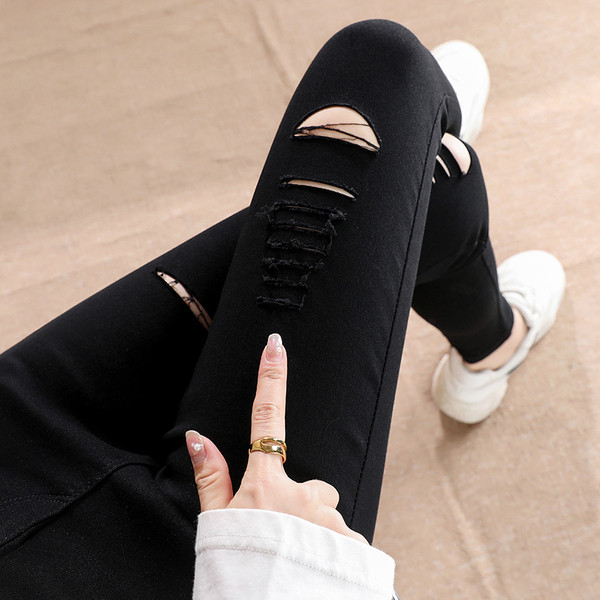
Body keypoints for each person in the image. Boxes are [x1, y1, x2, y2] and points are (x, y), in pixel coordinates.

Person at [0, 19, 565, 599]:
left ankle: (415, 174)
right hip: (186, 566)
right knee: (382, 73)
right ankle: (480, 314)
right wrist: (269, 567)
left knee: (391, 160)